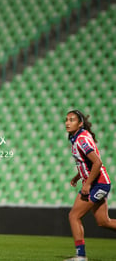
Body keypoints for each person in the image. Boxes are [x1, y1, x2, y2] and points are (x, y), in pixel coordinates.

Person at [64, 110, 116, 261]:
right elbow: (86, 163)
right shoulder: (76, 137)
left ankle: (81, 256)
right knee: (103, 222)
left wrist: (86, 184)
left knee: (74, 216)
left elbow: (97, 162)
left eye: (72, 120)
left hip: (98, 184)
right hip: (96, 183)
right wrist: (78, 176)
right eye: (66, 120)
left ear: (80, 123)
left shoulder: (81, 140)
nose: (67, 123)